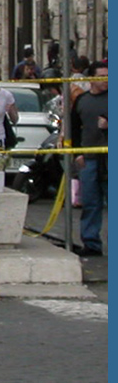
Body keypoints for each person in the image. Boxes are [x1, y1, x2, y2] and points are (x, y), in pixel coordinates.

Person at [70, 61, 107, 257]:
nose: (106, 81)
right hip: (89, 157)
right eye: (101, 77)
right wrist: (78, 153)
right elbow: (74, 129)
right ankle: (91, 243)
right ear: (91, 79)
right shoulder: (82, 100)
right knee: (91, 202)